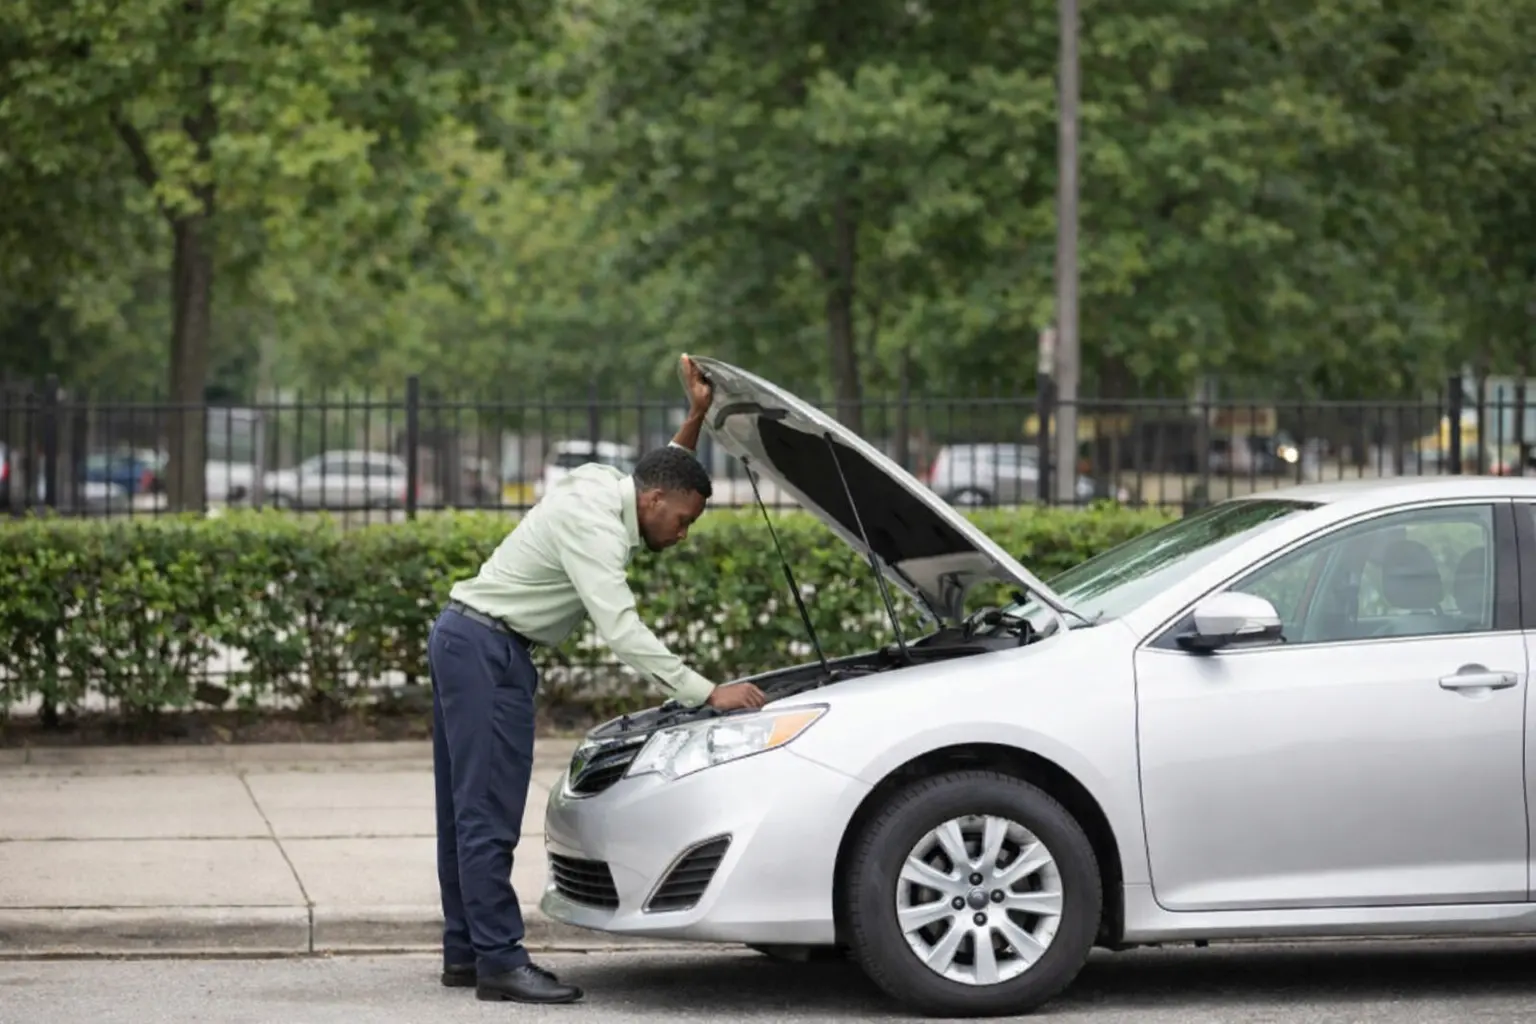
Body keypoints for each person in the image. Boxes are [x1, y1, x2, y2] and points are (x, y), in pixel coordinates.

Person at [427, 354, 767, 1004]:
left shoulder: (610, 486)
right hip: (488, 653)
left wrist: (695, 415)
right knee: (488, 814)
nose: (683, 533)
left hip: (465, 639)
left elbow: (666, 467)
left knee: (463, 812)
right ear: (652, 502)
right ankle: (498, 961)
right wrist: (705, 690)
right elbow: (622, 630)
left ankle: (465, 953)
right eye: (683, 521)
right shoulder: (596, 531)